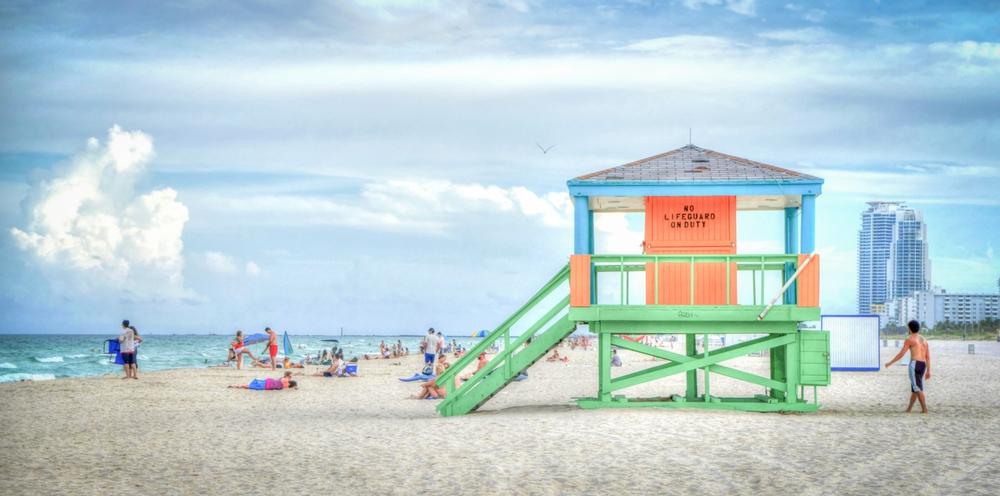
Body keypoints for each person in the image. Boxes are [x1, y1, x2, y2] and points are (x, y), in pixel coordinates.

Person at [884, 320, 932, 414]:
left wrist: (890, 363)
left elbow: (901, 354)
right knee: (915, 388)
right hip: (923, 365)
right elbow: (928, 357)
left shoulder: (909, 339)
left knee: (917, 388)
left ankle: (924, 409)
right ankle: (909, 409)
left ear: (909, 328)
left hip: (914, 364)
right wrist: (929, 371)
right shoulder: (924, 340)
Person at [229, 371, 298, 390]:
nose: (291, 377)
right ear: (288, 376)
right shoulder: (286, 381)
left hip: (269, 382)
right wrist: (295, 387)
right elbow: (291, 385)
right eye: (290, 376)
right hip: (268, 384)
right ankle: (236, 386)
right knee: (251, 386)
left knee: (250, 386)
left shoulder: (283, 379)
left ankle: (236, 386)